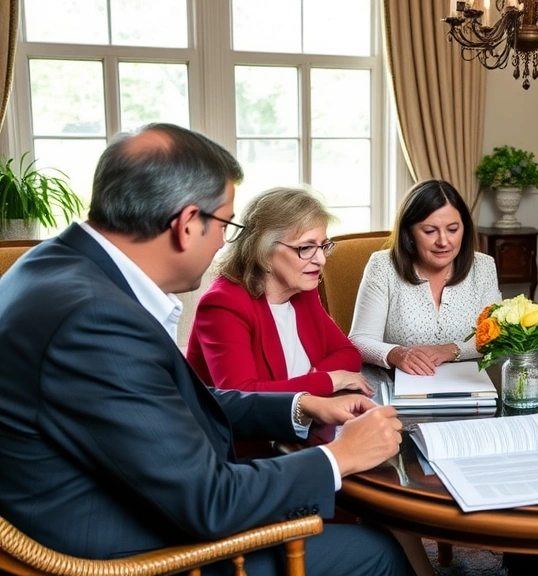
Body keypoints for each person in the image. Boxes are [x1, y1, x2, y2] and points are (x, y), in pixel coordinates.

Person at [0, 123, 413, 576]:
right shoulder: (95, 318)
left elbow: (169, 399)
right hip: (128, 553)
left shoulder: (51, 265)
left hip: (108, 501)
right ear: (186, 223)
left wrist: (301, 404)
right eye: (224, 224)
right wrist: (341, 456)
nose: (224, 241)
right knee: (376, 550)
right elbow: (211, 503)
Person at [187, 186, 371, 398]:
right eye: (306, 248)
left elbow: (348, 354)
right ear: (263, 250)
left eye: (323, 246)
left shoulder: (301, 290)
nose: (321, 260)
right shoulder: (223, 304)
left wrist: (308, 379)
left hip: (300, 422)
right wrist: (328, 380)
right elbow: (242, 397)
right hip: (239, 430)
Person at [349, 179, 502, 375]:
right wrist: (395, 353)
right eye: (430, 231)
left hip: (472, 386)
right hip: (399, 385)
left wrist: (451, 350)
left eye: (453, 229)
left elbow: (496, 335)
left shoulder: (484, 266)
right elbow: (360, 339)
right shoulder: (382, 266)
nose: (444, 241)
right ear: (409, 233)